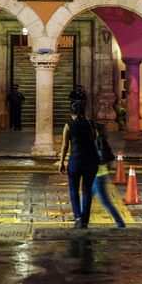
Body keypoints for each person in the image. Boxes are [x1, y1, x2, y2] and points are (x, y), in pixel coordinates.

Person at [57, 94, 100, 227]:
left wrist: (61, 162)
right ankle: (85, 220)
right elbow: (96, 139)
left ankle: (78, 217)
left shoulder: (69, 125)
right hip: (91, 161)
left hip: (75, 161)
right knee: (87, 190)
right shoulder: (90, 124)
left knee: (73, 190)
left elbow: (65, 145)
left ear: (72, 113)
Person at [90, 118, 126, 228]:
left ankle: (120, 222)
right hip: (97, 174)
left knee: (105, 201)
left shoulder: (97, 141)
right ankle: (81, 217)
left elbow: (97, 158)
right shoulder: (100, 140)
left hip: (98, 175)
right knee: (87, 198)